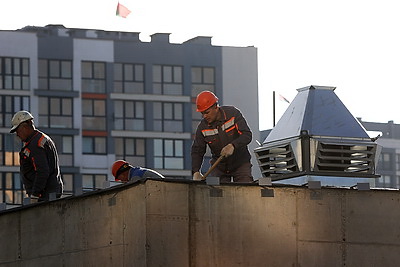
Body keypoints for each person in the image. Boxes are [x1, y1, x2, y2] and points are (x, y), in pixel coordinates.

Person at [191, 91, 253, 183]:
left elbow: (247, 135)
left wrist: (233, 145)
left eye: (207, 112)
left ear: (216, 107)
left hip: (240, 163)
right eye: (202, 113)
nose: (204, 116)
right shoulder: (202, 128)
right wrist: (196, 171)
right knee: (217, 193)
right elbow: (197, 151)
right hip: (219, 167)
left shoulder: (233, 114)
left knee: (245, 189)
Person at [10, 110, 63, 202]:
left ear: (25, 126)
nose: (17, 135)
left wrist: (35, 195)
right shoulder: (40, 139)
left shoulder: (35, 144)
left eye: (18, 130)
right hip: (49, 192)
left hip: (45, 195)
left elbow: (42, 171)